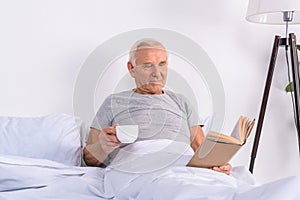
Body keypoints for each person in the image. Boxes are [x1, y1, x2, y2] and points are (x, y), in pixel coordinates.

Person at [83, 38, 231, 175]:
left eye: (162, 64)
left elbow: (202, 152)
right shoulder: (113, 102)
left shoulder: (181, 102)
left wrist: (218, 166)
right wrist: (103, 146)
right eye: (148, 65)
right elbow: (88, 159)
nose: (157, 73)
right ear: (131, 68)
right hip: (138, 167)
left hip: (181, 166)